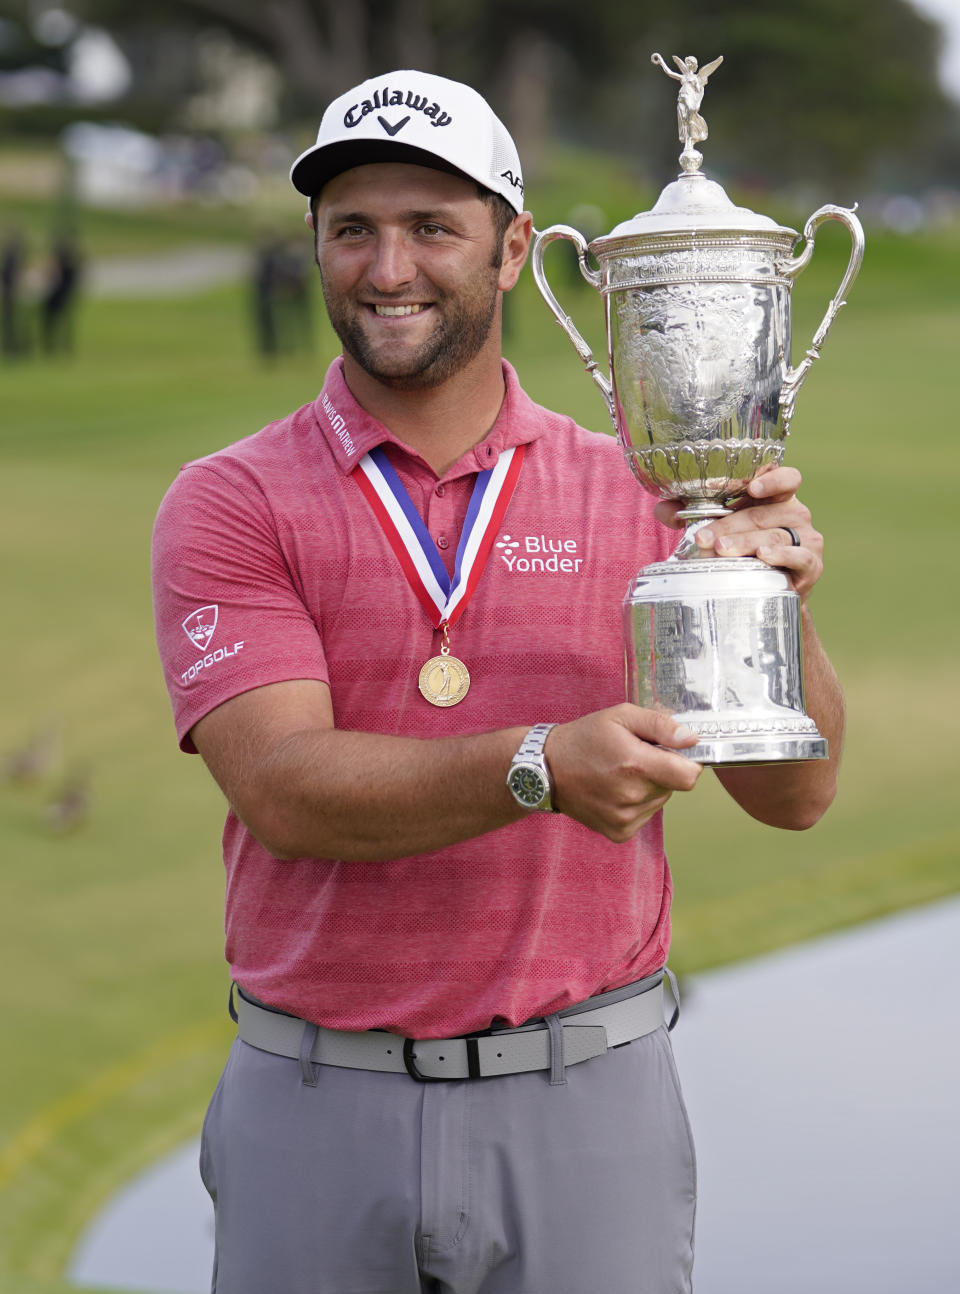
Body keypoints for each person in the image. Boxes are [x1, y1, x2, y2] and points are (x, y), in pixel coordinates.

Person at [151, 69, 843, 1294]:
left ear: (516, 248)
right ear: (316, 244)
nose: (388, 267)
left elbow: (794, 797)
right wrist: (539, 765)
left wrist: (774, 607)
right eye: (352, 229)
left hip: (586, 1101)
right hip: (318, 1099)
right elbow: (286, 791)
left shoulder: (639, 482)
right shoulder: (231, 498)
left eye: (433, 227)